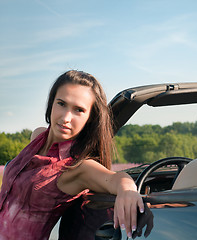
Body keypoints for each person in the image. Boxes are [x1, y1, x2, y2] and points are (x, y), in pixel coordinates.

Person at [0, 70, 144, 239]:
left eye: (78, 110)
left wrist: (128, 190)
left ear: (90, 118)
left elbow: (116, 179)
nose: (66, 117)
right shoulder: (37, 136)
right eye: (61, 103)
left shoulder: (76, 167)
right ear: (51, 103)